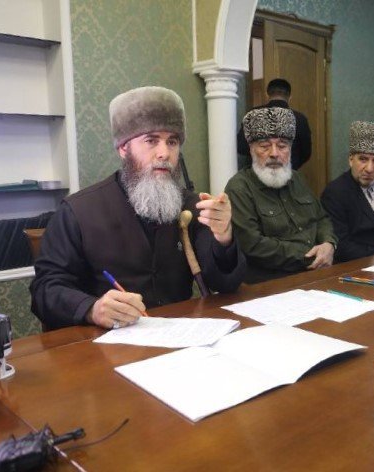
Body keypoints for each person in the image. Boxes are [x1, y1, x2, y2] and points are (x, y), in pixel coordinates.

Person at [31, 86, 246, 331]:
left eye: (172, 142)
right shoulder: (78, 211)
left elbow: (226, 284)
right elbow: (44, 290)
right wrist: (91, 308)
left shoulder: (191, 206)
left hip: (180, 338)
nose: (164, 153)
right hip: (104, 343)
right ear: (123, 148)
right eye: (151, 140)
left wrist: (224, 237)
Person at [226, 107, 337, 283]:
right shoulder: (239, 187)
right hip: (271, 282)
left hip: (316, 273)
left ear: (290, 149)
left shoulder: (298, 179)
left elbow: (322, 219)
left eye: (282, 146)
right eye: (265, 146)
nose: (274, 153)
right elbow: (252, 245)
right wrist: (308, 255)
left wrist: (328, 243)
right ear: (252, 149)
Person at [321, 121, 374, 262]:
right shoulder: (335, 192)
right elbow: (341, 244)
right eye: (363, 159)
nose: (369, 168)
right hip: (359, 263)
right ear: (351, 160)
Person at [236, 78, 312, 170]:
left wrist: (260, 153)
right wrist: (293, 164)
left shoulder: (253, 115)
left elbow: (241, 147)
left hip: (259, 171)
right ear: (290, 97)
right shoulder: (300, 119)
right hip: (288, 171)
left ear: (267, 94)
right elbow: (306, 152)